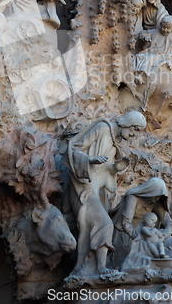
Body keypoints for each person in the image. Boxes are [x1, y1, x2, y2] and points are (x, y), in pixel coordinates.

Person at [62, 111, 147, 280]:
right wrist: (90, 160)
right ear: (127, 122)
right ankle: (99, 269)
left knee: (106, 223)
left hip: (97, 191)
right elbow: (73, 148)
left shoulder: (116, 146)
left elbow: (106, 173)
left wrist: (116, 168)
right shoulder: (101, 128)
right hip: (83, 189)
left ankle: (91, 267)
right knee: (105, 223)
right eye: (134, 129)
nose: (133, 135)